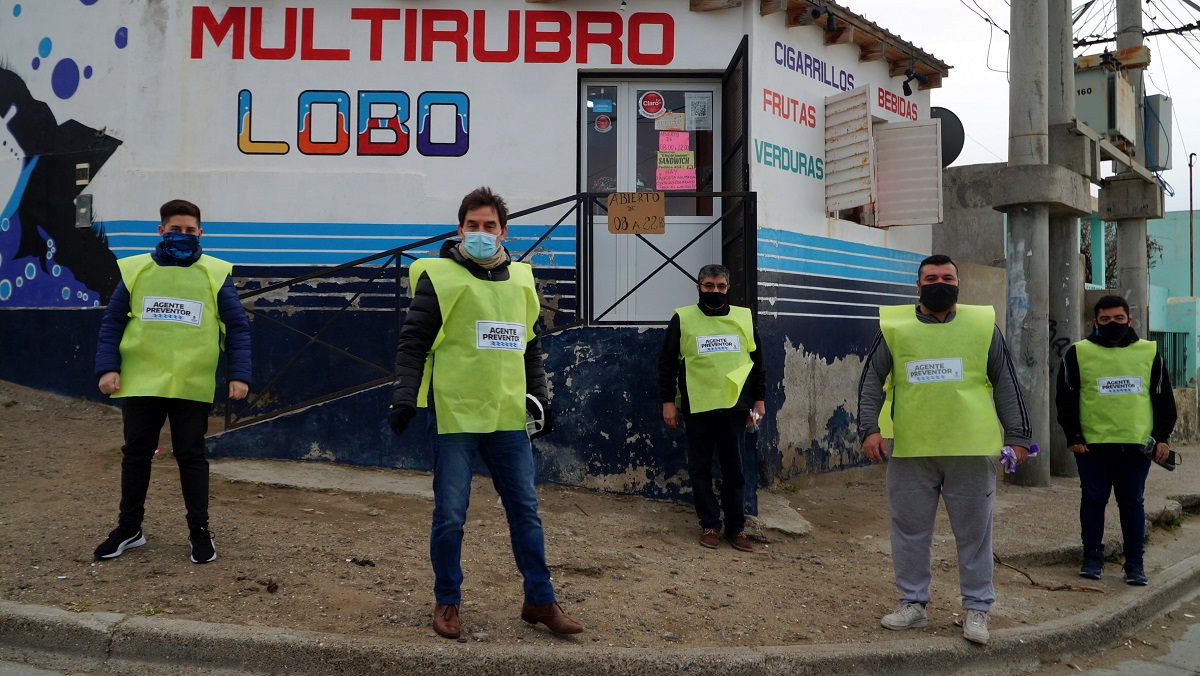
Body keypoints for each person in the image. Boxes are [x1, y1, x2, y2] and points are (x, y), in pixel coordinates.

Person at [388, 186, 582, 640]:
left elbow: (529, 346)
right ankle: (447, 601)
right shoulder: (439, 276)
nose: (480, 232)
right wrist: (404, 395)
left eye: (489, 226)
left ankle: (539, 599)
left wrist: (539, 398)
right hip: (456, 415)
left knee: (526, 512)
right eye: (472, 225)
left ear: (503, 231)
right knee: (451, 514)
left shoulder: (521, 279)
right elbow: (413, 341)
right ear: (459, 229)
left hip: (508, 418)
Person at [857, 254, 1031, 645]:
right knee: (909, 531)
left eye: (947, 277)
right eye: (931, 277)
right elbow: (872, 380)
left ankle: (976, 609)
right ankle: (913, 605)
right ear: (917, 286)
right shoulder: (894, 326)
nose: (940, 282)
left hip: (969, 448)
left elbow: (1005, 380)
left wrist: (1018, 436)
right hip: (911, 448)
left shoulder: (982, 325)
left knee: (974, 534)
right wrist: (869, 429)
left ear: (958, 284)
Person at [93, 199, 251, 564]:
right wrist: (107, 368)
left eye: (189, 230)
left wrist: (239, 374)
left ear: (201, 233)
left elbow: (237, 327)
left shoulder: (215, 272)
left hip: (190, 384)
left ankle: (200, 534)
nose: (182, 235)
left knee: (191, 457)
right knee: (135, 456)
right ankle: (129, 529)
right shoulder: (135, 270)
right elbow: (113, 323)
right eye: (175, 229)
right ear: (160, 230)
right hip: (140, 381)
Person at [1055, 294, 1177, 586]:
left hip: (1135, 447)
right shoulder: (1078, 353)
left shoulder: (1149, 352)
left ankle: (1134, 564)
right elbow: (1066, 397)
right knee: (1094, 500)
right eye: (1105, 319)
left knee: (1132, 503)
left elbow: (1163, 398)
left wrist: (1162, 437)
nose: (1113, 323)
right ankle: (1092, 558)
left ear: (1129, 320)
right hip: (1091, 446)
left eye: (1118, 318)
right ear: (1095, 322)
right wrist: (1072, 435)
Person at [658, 264, 766, 552]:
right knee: (700, 469)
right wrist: (669, 403)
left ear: (728, 288)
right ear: (698, 287)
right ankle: (709, 525)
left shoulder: (744, 317)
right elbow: (667, 364)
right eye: (708, 285)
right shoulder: (683, 319)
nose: (714, 291)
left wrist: (759, 402)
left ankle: (736, 528)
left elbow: (758, 363)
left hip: (736, 406)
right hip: (698, 406)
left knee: (735, 470)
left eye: (720, 286)